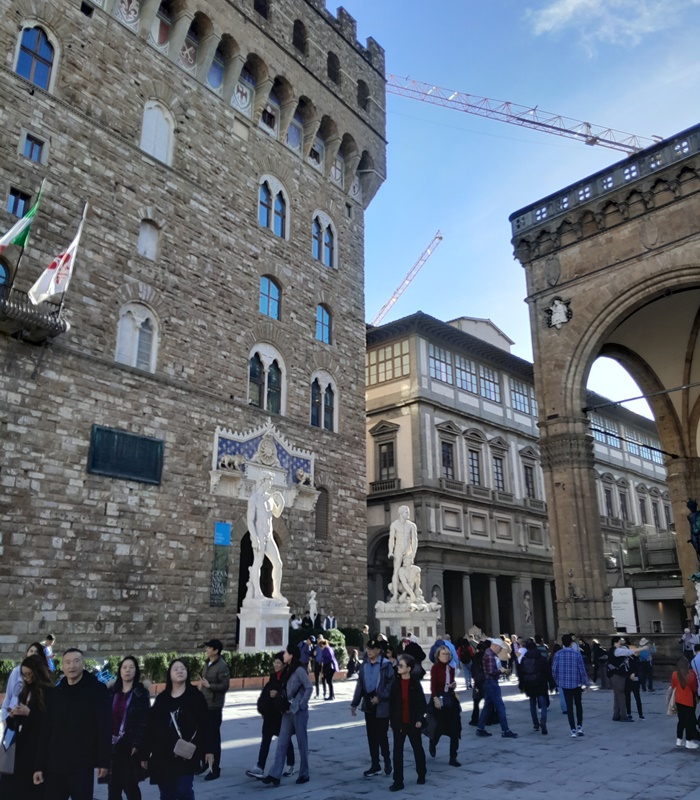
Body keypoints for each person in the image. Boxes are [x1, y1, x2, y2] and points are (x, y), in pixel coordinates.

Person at [33, 648, 112, 800]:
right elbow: (46, 730)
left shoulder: (97, 691)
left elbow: (104, 727)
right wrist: (39, 766)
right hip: (55, 764)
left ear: (83, 664)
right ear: (62, 666)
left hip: (82, 764)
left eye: (76, 661)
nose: (72, 666)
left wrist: (103, 761)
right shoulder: (55, 694)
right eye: (67, 662)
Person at [140, 659, 212, 800]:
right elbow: (151, 728)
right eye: (176, 669)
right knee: (167, 794)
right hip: (163, 755)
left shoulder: (195, 696)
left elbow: (206, 724)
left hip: (185, 754)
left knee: (183, 791)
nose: (180, 671)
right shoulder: (162, 699)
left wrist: (209, 750)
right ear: (170, 674)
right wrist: (144, 754)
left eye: (183, 668)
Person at [0, 654, 53, 799]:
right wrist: (13, 716)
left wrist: (29, 713)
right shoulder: (25, 690)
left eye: (29, 674)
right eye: (24, 675)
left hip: (35, 750)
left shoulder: (48, 692)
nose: (26, 678)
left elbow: (48, 722)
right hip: (18, 748)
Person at [259, 644, 313, 785]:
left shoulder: (300, 670)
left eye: (286, 653)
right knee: (282, 742)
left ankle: (304, 773)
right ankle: (275, 774)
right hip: (286, 711)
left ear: (291, 655)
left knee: (302, 743)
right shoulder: (288, 669)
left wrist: (302, 704)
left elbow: (309, 687)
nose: (284, 655)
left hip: (299, 712)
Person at [246, 652, 295, 780]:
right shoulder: (273, 677)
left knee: (285, 740)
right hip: (270, 714)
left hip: (281, 715)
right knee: (265, 740)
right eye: (275, 662)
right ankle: (260, 767)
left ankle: (290, 764)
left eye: (279, 663)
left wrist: (278, 694)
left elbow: (290, 694)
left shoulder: (288, 677)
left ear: (284, 664)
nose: (276, 665)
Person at [350, 638, 394, 778]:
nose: (369, 652)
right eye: (368, 649)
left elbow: (391, 685)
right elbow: (360, 685)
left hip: (381, 704)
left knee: (382, 735)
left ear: (378, 651)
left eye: (372, 649)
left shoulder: (385, 665)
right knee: (371, 736)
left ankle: (387, 760)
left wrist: (380, 697)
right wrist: (354, 703)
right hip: (368, 703)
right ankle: (375, 764)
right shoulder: (364, 665)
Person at [108, 656, 151, 800]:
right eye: (124, 667)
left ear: (136, 671)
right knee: (113, 788)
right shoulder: (111, 691)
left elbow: (144, 721)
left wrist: (137, 744)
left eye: (131, 667)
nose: (127, 670)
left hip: (129, 746)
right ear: (119, 671)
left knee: (130, 785)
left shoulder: (141, 693)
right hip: (112, 746)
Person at [388, 654, 427, 791]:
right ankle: (398, 781)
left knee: (417, 748)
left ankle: (421, 774)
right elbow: (392, 705)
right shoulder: (395, 684)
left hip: (413, 722)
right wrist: (392, 723)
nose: (398, 667)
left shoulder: (415, 684)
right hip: (399, 723)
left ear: (409, 668)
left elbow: (421, 703)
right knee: (397, 752)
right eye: (398, 665)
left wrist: (419, 719)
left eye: (401, 665)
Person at [246, 472, 286, 601]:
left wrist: (281, 502)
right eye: (269, 480)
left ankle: (276, 592)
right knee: (258, 562)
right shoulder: (254, 499)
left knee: (278, 563)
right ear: (263, 481)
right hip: (259, 535)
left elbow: (276, 514)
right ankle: (257, 592)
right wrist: (254, 537)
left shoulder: (270, 498)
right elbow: (250, 521)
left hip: (269, 536)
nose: (271, 483)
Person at [197, 639, 230, 781]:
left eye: (209, 648)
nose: (206, 650)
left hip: (214, 707)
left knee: (213, 739)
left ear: (216, 650)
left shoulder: (222, 666)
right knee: (202, 736)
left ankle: (215, 769)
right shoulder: (207, 663)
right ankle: (204, 762)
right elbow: (202, 681)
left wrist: (210, 686)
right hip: (203, 705)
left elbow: (224, 686)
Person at [475, 639, 518, 739]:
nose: (500, 650)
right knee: (500, 707)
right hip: (491, 683)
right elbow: (491, 671)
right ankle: (505, 730)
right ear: (495, 646)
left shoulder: (490, 654)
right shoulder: (490, 655)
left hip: (489, 683)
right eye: (500, 648)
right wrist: (501, 671)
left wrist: (502, 671)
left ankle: (480, 729)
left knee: (487, 706)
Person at [428, 645, 461, 767]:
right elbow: (433, 686)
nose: (446, 656)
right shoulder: (435, 668)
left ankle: (453, 757)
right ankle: (433, 742)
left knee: (455, 729)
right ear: (438, 656)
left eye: (447, 654)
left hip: (450, 699)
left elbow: (451, 682)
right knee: (439, 727)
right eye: (443, 654)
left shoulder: (450, 668)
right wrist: (435, 698)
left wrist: (453, 684)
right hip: (439, 700)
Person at [551, 634, 589, 737]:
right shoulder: (577, 654)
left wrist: (557, 681)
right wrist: (586, 683)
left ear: (562, 643)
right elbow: (582, 670)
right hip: (576, 683)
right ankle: (580, 727)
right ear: (571, 643)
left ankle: (572, 729)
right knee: (578, 705)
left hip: (564, 684)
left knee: (569, 707)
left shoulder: (558, 654)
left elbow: (554, 670)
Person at [1, 642, 49, 724]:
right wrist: (5, 717)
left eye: (36, 652)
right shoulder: (17, 672)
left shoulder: (45, 688)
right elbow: (8, 695)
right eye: (31, 651)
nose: (25, 678)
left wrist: (28, 713)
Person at [517, 639, 553, 735]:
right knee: (543, 704)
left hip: (529, 683)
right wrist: (551, 684)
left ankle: (535, 724)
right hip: (540, 682)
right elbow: (548, 672)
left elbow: (521, 674)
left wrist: (521, 685)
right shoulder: (541, 658)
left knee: (532, 704)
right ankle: (543, 721)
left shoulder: (524, 659)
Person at [388, 506, 418, 602]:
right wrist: (390, 551)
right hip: (398, 548)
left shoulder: (412, 525)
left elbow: (414, 540)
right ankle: (395, 594)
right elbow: (391, 539)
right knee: (396, 571)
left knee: (409, 571)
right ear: (401, 513)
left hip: (408, 549)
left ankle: (410, 593)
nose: (408, 514)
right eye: (406, 512)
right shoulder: (394, 525)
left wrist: (413, 553)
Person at [671, 656, 699, 749]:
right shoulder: (691, 675)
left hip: (678, 700)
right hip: (688, 700)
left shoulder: (674, 674)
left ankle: (679, 740)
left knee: (681, 720)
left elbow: (673, 686)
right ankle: (688, 741)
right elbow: (694, 688)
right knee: (689, 721)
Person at [469, 640, 489, 727]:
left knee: (476, 702)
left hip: (477, 682)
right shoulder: (487, 657)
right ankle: (489, 719)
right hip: (485, 681)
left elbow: (472, 669)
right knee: (488, 702)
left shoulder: (475, 657)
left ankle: (474, 719)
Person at [625, 648, 644, 721]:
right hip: (629, 680)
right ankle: (630, 713)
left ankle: (640, 713)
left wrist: (637, 677)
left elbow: (639, 670)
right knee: (629, 698)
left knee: (636, 698)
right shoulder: (627, 659)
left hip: (633, 680)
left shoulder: (636, 659)